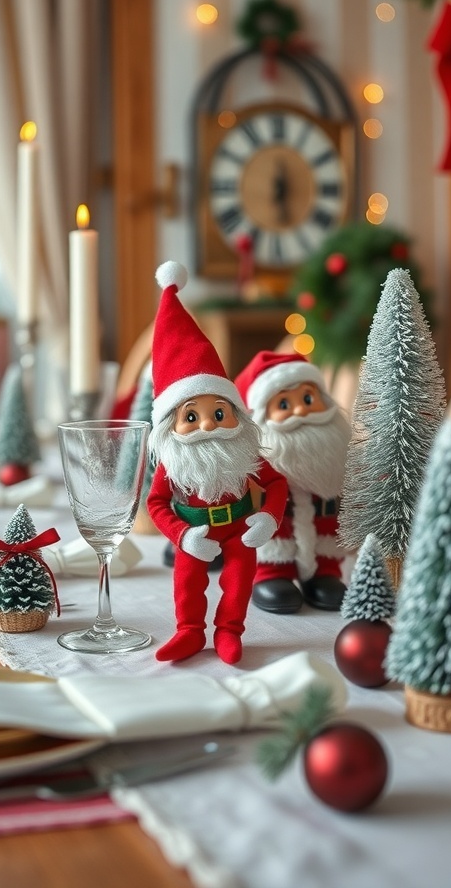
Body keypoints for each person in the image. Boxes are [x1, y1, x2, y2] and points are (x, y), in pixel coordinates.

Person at [147, 262, 288, 664]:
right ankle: (189, 631)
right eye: (191, 416)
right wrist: (181, 535)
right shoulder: (172, 463)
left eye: (218, 412)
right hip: (195, 529)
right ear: (172, 425)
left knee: (240, 581)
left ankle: (229, 632)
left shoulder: (244, 452)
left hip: (241, 527)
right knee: (187, 582)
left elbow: (276, 484)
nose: (208, 423)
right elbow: (156, 504)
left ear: (236, 413)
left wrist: (269, 518)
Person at [235, 350, 351, 614]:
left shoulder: (339, 445)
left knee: (327, 544)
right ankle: (272, 574)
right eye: (284, 405)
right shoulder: (258, 454)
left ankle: (325, 572)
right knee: (274, 543)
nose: (300, 410)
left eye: (308, 398)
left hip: (326, 529)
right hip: (276, 531)